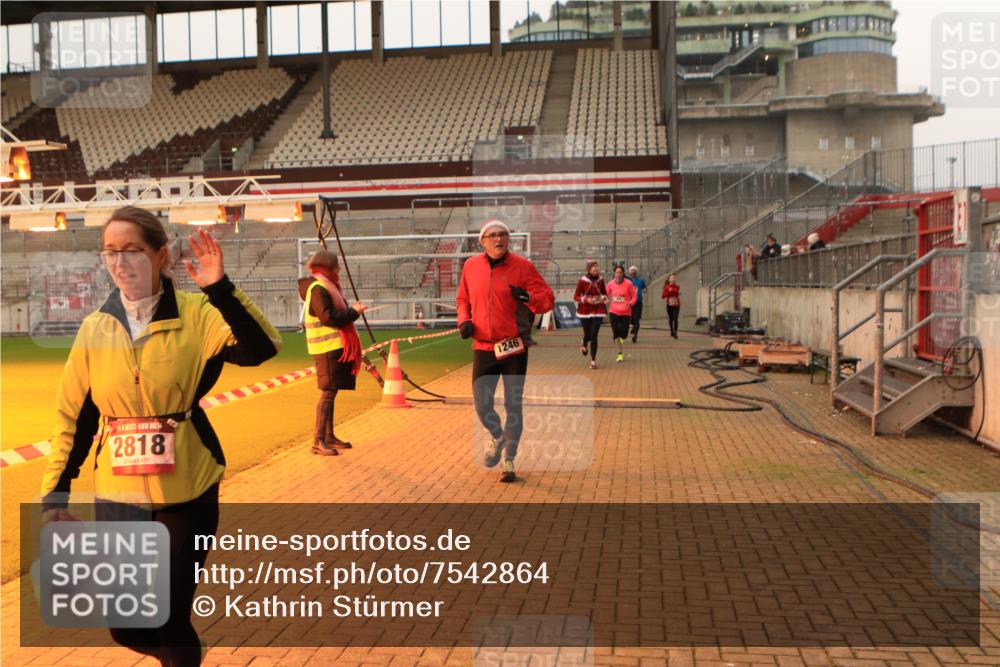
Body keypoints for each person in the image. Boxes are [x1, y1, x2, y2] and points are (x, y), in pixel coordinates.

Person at [40, 206, 281, 666]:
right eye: (110, 252)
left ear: (160, 255)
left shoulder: (198, 313)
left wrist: (220, 290)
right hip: (118, 496)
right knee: (125, 624)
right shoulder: (95, 328)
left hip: (187, 490)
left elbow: (260, 348)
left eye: (132, 250)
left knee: (167, 613)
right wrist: (55, 496)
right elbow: (73, 418)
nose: (120, 262)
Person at [456, 219, 554, 484]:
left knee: (513, 405)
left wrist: (528, 298)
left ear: (508, 239)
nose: (498, 239)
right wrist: (464, 320)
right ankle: (498, 437)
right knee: (482, 404)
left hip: (513, 347)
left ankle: (509, 459)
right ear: (483, 241)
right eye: (493, 235)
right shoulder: (471, 266)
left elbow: (547, 299)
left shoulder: (523, 267)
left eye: (503, 235)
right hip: (484, 346)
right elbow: (463, 299)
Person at [298, 250, 367, 456]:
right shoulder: (319, 288)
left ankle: (328, 436)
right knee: (328, 392)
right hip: (326, 348)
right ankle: (318, 440)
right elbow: (328, 318)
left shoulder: (324, 286)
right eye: (336, 267)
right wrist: (353, 312)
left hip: (332, 347)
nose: (338, 270)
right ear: (328, 267)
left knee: (332, 391)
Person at [574, 260, 607, 369]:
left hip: (598, 310)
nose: (596, 268)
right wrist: (586, 299)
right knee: (587, 334)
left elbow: (604, 293)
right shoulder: (582, 281)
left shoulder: (601, 280)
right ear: (589, 269)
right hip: (585, 311)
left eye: (597, 266)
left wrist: (604, 298)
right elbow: (576, 296)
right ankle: (584, 342)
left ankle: (593, 360)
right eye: (594, 267)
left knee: (594, 335)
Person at [606, 265, 638, 363]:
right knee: (615, 333)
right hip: (613, 312)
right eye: (617, 272)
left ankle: (622, 337)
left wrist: (631, 303)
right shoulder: (610, 283)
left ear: (623, 274)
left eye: (620, 273)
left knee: (624, 334)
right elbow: (605, 294)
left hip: (625, 312)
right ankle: (620, 354)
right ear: (614, 273)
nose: (619, 274)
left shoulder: (628, 284)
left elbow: (634, 297)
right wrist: (605, 300)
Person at [626, 265, 647, 343]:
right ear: (629, 272)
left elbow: (645, 288)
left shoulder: (641, 280)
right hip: (629, 303)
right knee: (631, 320)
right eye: (631, 270)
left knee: (636, 319)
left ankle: (635, 336)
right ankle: (634, 326)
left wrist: (644, 290)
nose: (633, 272)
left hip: (638, 302)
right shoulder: (627, 281)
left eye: (634, 270)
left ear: (636, 272)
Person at [661, 273, 681, 339]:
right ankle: (671, 330)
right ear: (669, 280)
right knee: (671, 319)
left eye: (674, 278)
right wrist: (669, 292)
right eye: (671, 278)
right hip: (669, 305)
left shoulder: (677, 287)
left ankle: (675, 332)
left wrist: (678, 293)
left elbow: (677, 293)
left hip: (676, 305)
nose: (673, 279)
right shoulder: (666, 287)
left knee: (675, 318)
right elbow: (663, 296)